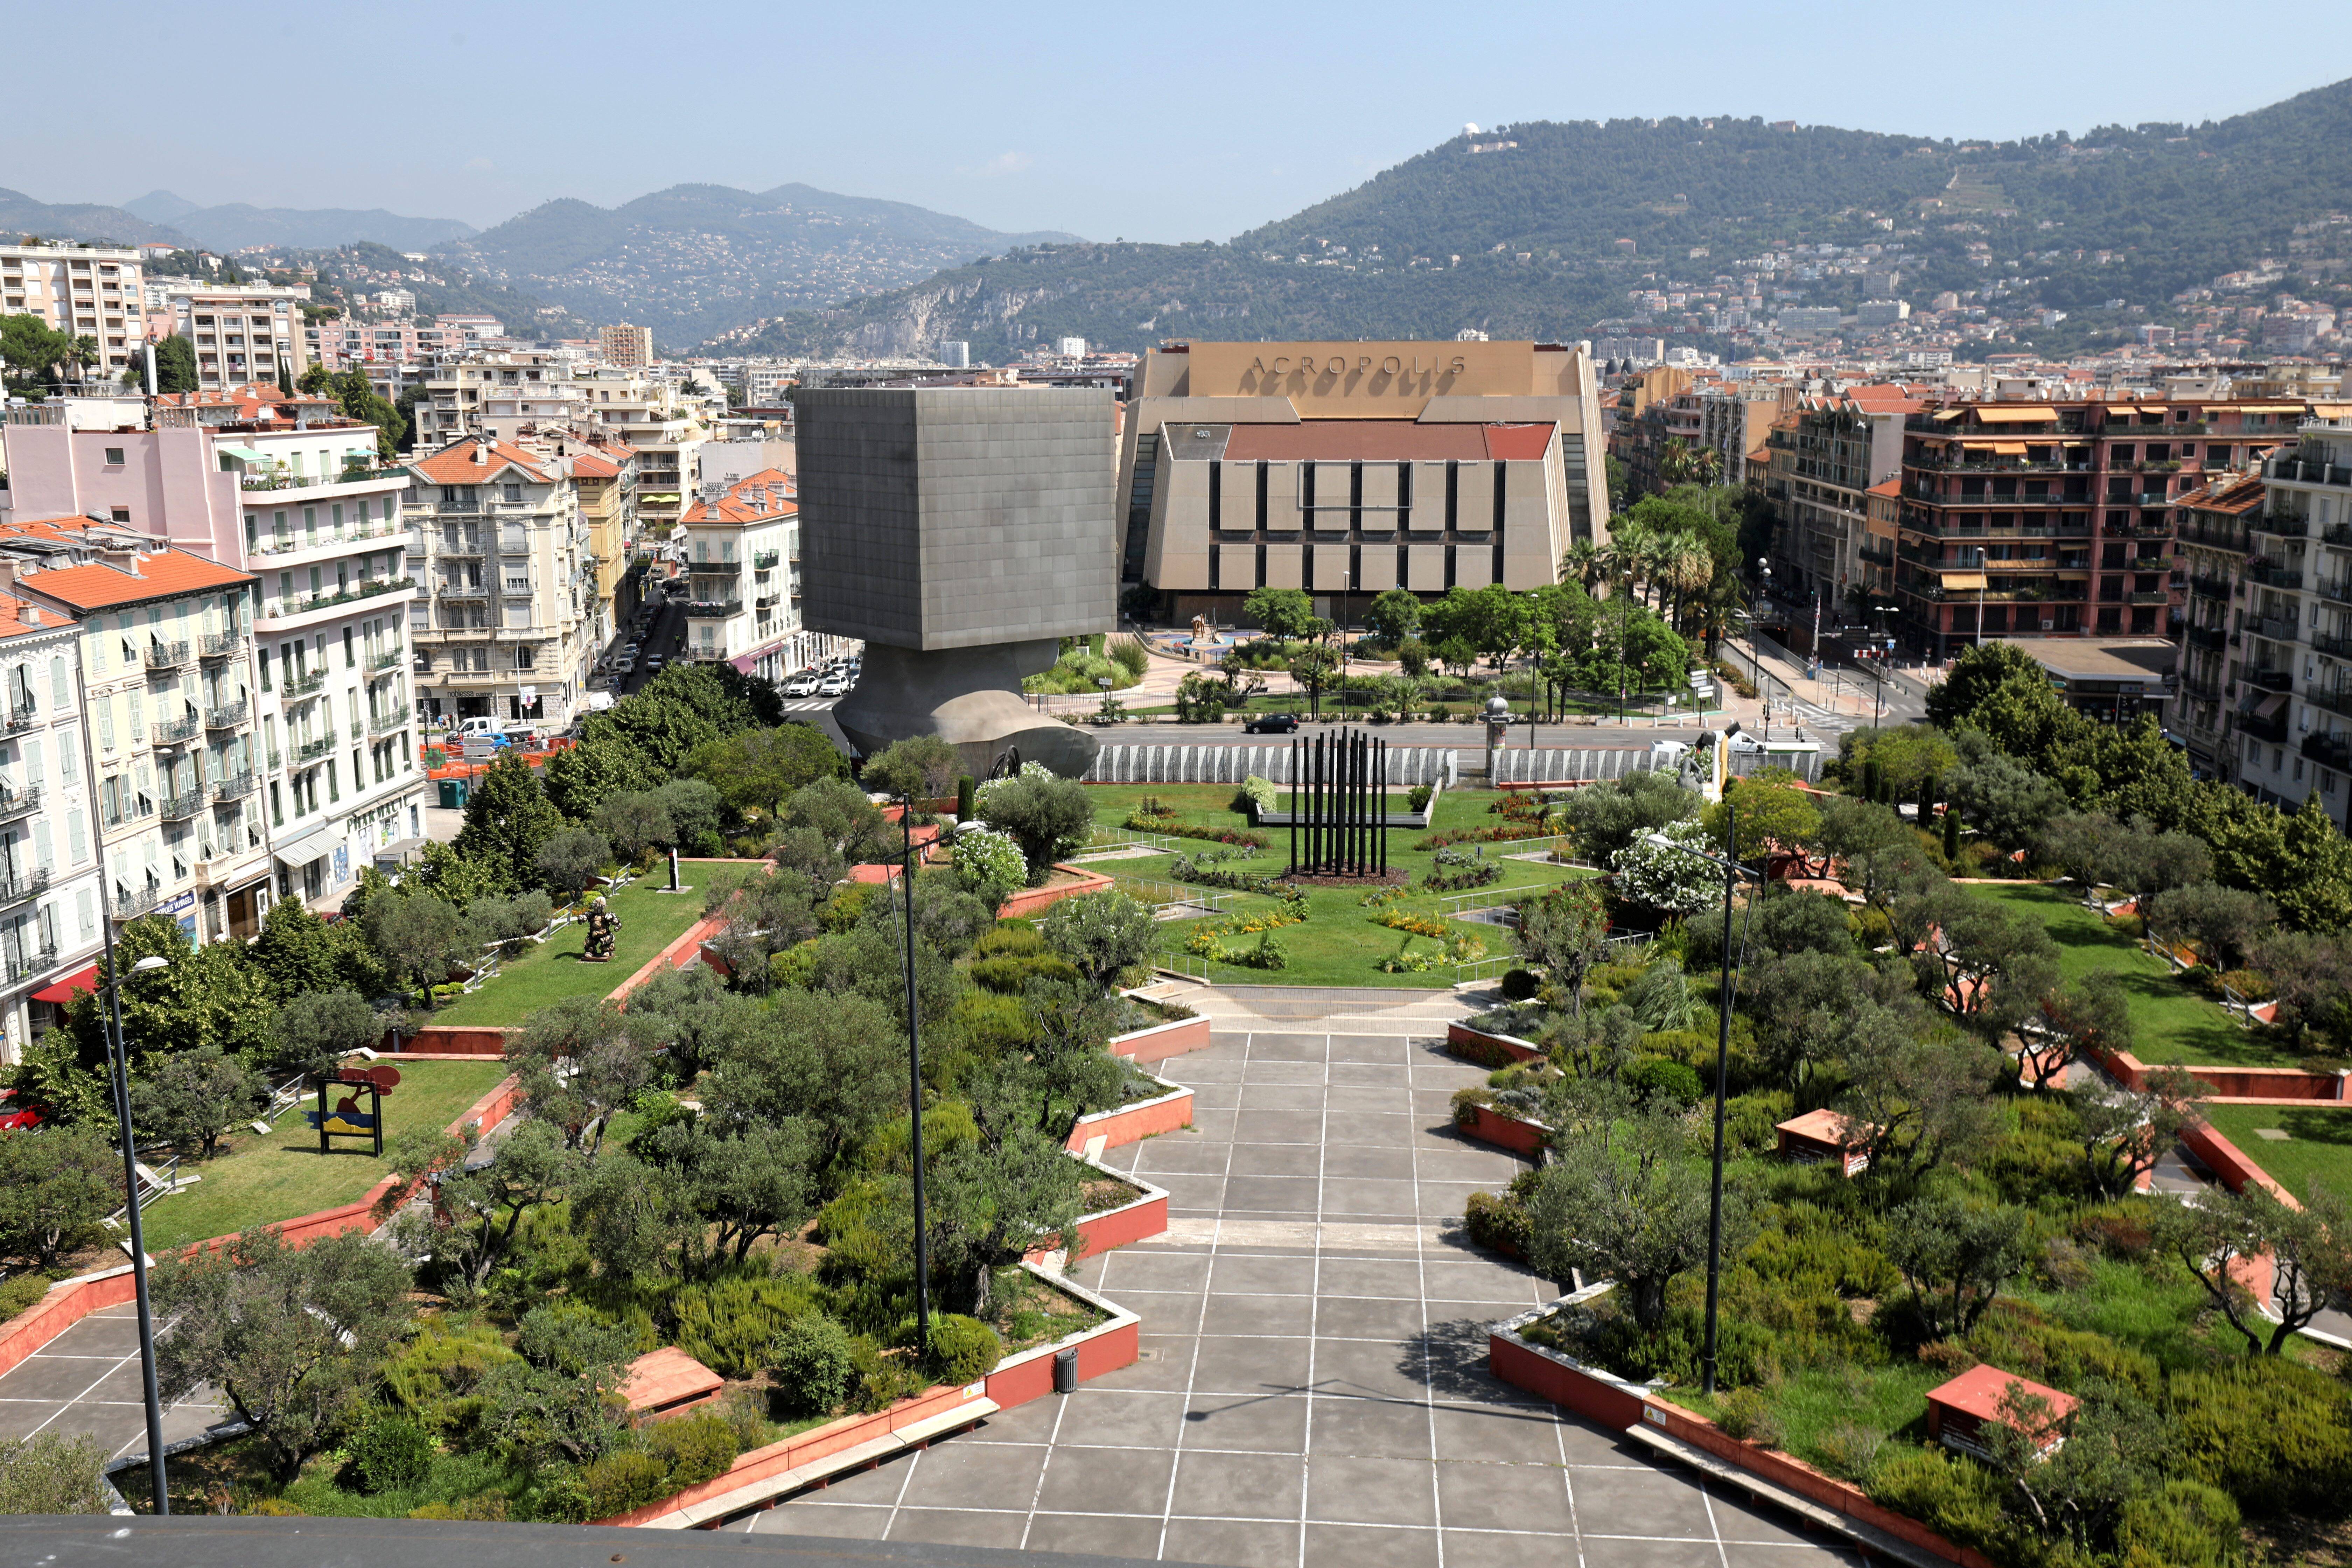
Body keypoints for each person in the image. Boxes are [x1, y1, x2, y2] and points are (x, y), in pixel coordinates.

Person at [582, 895, 620, 962]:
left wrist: (617, 926)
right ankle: (591, 952)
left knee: (606, 941)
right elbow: (582, 919)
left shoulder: (606, 916)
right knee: (589, 942)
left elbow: (617, 922)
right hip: (593, 934)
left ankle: (606, 951)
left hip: (604, 934)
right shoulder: (591, 915)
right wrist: (582, 919)